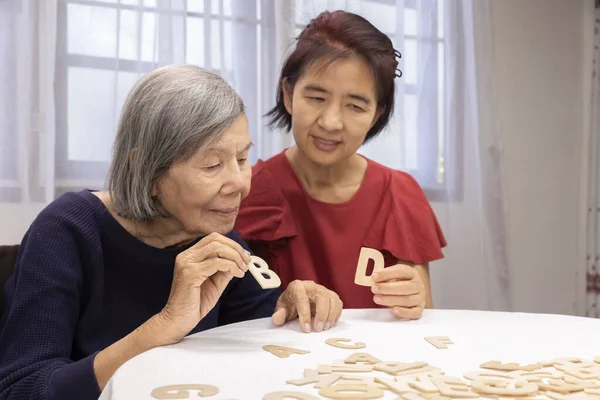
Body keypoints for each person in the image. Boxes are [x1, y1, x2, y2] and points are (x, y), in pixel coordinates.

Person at [0, 65, 342, 400]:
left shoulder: (217, 237)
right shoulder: (67, 230)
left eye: (241, 159)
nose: (239, 183)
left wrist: (290, 308)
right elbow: (23, 389)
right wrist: (162, 326)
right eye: (211, 165)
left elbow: (261, 347)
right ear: (145, 169)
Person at [236, 10, 446, 322]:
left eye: (355, 106)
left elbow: (422, 315)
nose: (331, 122)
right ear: (289, 95)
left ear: (376, 115)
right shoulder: (246, 190)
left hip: (373, 367)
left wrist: (414, 300)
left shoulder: (400, 195)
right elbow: (225, 317)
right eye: (317, 98)